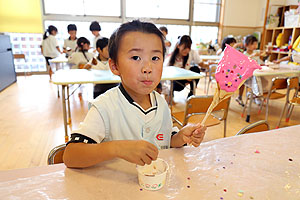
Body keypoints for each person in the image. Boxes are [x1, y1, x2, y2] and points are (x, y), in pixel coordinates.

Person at [63, 20, 207, 168]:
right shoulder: (105, 107)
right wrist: (117, 148)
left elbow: (165, 140)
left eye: (155, 58)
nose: (147, 68)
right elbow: (70, 155)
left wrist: (181, 137)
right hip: (116, 188)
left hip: (154, 186)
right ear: (114, 66)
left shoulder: (161, 103)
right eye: (136, 58)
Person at [236, 35, 269, 106]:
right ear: (246, 45)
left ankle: (255, 95)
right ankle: (243, 96)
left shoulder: (256, 52)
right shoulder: (245, 54)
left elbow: (260, 61)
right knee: (246, 81)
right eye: (252, 44)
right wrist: (253, 55)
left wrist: (264, 63)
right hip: (246, 76)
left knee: (264, 80)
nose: (255, 46)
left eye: (256, 44)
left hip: (256, 74)